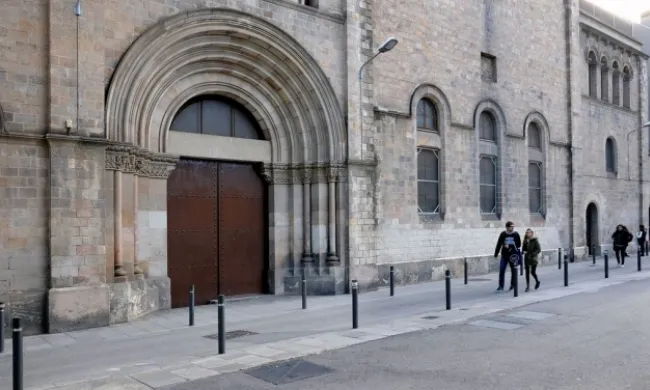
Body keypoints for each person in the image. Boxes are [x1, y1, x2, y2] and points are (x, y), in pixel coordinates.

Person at [493, 221, 521, 291]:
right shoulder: (503, 234)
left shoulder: (516, 234)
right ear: (507, 227)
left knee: (513, 270)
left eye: (513, 226)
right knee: (502, 269)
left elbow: (519, 244)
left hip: (513, 256)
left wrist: (511, 246)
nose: (513, 227)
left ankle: (513, 284)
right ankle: (501, 286)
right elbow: (499, 243)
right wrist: (496, 253)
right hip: (504, 255)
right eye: (511, 226)